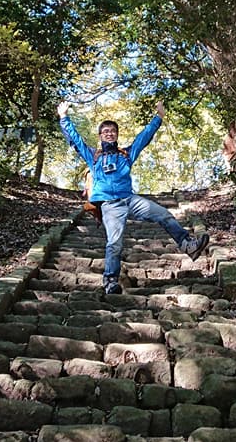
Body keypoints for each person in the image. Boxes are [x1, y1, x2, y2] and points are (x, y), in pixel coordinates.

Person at [57, 100, 210, 296]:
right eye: (105, 131)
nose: (109, 133)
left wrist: (158, 117)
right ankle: (110, 281)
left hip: (130, 199)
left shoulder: (126, 154)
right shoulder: (93, 157)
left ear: (117, 135)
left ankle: (188, 245)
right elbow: (76, 140)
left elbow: (143, 138)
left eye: (112, 131)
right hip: (110, 205)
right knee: (115, 242)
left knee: (163, 213)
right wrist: (64, 117)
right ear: (100, 136)